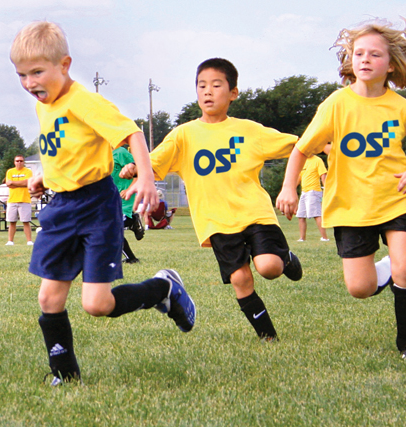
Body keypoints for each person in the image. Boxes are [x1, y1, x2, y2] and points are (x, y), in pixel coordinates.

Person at [10, 21, 195, 386]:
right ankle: (65, 375)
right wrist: (43, 177)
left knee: (97, 305)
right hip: (61, 208)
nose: (30, 82)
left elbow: (131, 133)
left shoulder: (84, 101)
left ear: (64, 65)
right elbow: (66, 150)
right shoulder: (43, 106)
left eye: (37, 72)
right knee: (49, 298)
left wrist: (146, 177)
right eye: (21, 75)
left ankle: (163, 289)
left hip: (96, 207)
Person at [122, 58, 302, 342]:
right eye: (201, 85)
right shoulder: (183, 135)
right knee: (240, 279)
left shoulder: (248, 130)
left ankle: (286, 258)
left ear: (233, 93)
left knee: (269, 267)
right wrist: (135, 167)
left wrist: (329, 142)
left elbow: (298, 145)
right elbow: (154, 162)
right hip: (216, 220)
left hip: (255, 212)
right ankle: (269, 338)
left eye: (216, 85)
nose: (207, 91)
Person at [276, 19, 406, 359]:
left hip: (396, 199)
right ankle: (392, 266)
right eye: (358, 53)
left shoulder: (400, 106)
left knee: (405, 267)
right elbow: (302, 149)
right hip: (350, 207)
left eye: (374, 54)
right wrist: (289, 187)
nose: (364, 59)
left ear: (390, 64)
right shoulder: (336, 104)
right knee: (359, 288)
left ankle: (405, 342)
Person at [112, 146, 143, 263]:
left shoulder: (120, 152)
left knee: (111, 229)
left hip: (124, 200)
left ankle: (131, 220)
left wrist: (130, 188)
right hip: (111, 202)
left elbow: (138, 170)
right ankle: (132, 222)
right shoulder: (102, 157)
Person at [294, 155, 329, 242]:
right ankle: (302, 238)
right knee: (301, 216)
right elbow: (300, 177)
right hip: (304, 192)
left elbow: (323, 176)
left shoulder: (317, 160)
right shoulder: (302, 160)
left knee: (316, 215)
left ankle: (325, 238)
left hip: (314, 191)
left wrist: (327, 190)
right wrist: (291, 188)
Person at [5, 154, 34, 246]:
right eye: (17, 161)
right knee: (12, 221)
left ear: (23, 162)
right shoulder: (10, 171)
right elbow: (8, 184)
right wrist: (20, 183)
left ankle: (29, 241)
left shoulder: (28, 171)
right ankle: (10, 241)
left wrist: (14, 182)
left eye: (21, 161)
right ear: (14, 162)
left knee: (26, 221)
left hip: (24, 199)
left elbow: (27, 182)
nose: (19, 162)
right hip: (12, 200)